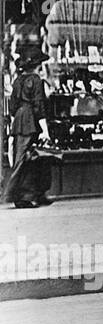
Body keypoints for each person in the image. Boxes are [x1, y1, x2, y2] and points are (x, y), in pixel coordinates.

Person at [6, 50, 53, 208]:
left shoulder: (18, 81)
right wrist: (45, 129)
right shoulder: (36, 80)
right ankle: (25, 195)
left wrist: (14, 124)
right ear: (37, 66)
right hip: (31, 119)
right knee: (32, 158)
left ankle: (31, 194)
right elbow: (38, 106)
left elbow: (12, 106)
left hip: (20, 120)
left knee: (24, 157)